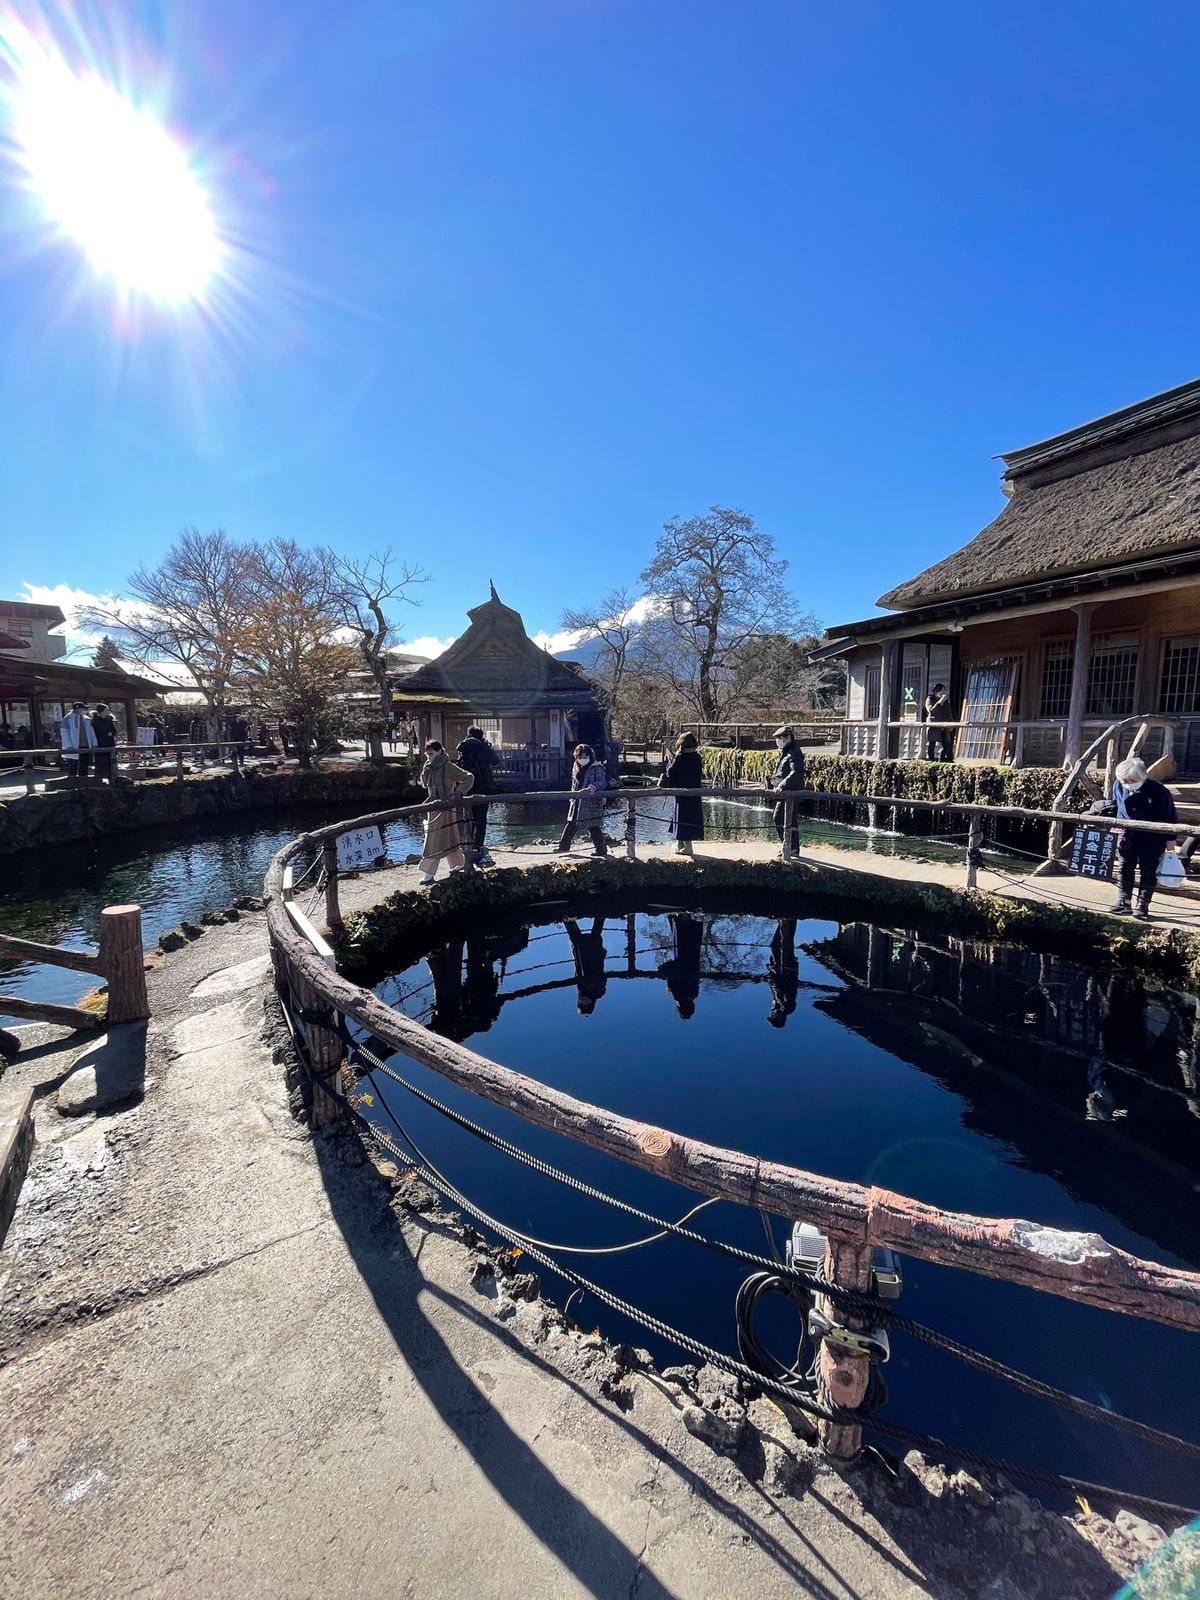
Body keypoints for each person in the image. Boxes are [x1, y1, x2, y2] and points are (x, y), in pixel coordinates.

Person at [1110, 757, 1177, 921]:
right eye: (1124, 780)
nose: (1128, 783)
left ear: (1142, 777)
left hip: (1152, 837)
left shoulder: (1158, 791)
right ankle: (1124, 900)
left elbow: (1169, 816)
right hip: (1126, 834)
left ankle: (1143, 903)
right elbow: (1115, 804)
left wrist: (1170, 841)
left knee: (1149, 871)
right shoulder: (1118, 785)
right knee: (1125, 868)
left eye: (1132, 780)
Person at [418, 739, 474, 885]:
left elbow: (469, 777)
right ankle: (458, 863)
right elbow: (425, 785)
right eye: (427, 754)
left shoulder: (448, 767)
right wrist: (425, 772)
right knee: (450, 838)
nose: (429, 757)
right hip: (434, 806)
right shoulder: (429, 766)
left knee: (433, 840)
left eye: (432, 754)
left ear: (439, 752)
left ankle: (429, 874)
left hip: (446, 806)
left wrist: (458, 794)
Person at [455, 725, 501, 866]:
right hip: (481, 788)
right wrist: (488, 746)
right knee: (480, 820)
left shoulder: (462, 747)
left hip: (465, 789)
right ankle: (478, 847)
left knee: (466, 819)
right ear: (480, 735)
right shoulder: (482, 746)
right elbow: (496, 761)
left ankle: (466, 849)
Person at [555, 743, 609, 856]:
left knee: (593, 826)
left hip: (591, 802)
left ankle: (601, 850)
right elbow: (574, 784)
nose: (582, 759)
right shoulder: (576, 767)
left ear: (590, 756)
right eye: (580, 757)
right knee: (571, 824)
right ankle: (563, 847)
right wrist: (571, 797)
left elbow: (602, 782)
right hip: (576, 801)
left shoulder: (597, 767)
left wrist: (592, 788)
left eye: (585, 756)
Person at [661, 731, 704, 857]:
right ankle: (680, 844)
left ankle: (687, 847)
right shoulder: (697, 757)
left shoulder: (680, 758)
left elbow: (671, 771)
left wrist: (672, 759)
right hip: (694, 792)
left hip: (682, 792)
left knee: (682, 817)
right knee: (685, 817)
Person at [769, 724, 805, 858]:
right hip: (785, 790)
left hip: (790, 791)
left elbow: (796, 772)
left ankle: (791, 847)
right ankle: (789, 846)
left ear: (787, 737)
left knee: (782, 818)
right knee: (784, 818)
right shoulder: (787, 751)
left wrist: (782, 785)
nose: (778, 740)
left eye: (780, 738)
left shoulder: (793, 751)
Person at [658, 911, 703, 1019]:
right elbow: (672, 981)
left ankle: (684, 919)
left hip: (690, 962)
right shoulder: (680, 995)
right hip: (684, 964)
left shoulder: (693, 994)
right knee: (681, 942)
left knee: (685, 942)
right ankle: (681, 919)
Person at [565, 917, 608, 1014]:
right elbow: (601, 978)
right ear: (591, 1003)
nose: (583, 1001)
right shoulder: (598, 992)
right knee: (594, 937)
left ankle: (568, 918)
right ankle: (601, 913)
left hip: (582, 959)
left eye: (581, 1003)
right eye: (585, 1004)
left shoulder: (581, 990)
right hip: (593, 960)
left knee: (577, 940)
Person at [767, 918, 800, 1028]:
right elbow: (783, 986)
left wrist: (771, 972)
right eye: (774, 1017)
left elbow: (774, 985)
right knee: (786, 945)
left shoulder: (777, 1004)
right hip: (786, 969)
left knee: (775, 945)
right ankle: (788, 919)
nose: (772, 1014)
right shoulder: (787, 1007)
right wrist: (774, 972)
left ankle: (785, 920)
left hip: (779, 969)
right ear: (780, 1018)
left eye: (772, 1016)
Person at [59, 701, 96, 780]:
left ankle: (83, 781)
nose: (83, 710)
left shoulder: (86, 718)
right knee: (73, 766)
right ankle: (73, 783)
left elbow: (91, 732)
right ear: (77, 708)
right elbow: (64, 733)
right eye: (82, 708)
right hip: (74, 746)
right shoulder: (68, 718)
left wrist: (93, 743)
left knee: (84, 765)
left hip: (86, 745)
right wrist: (68, 746)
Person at [924, 683, 955, 762]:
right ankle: (931, 759)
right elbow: (931, 710)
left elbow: (949, 712)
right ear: (938, 690)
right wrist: (940, 701)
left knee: (947, 744)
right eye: (943, 690)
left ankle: (942, 758)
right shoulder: (930, 698)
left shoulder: (946, 701)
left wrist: (951, 723)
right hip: (934, 724)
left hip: (944, 724)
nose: (944, 692)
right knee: (932, 743)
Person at [91, 703, 118, 782]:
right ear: (102, 711)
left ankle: (112, 779)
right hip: (100, 744)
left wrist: (112, 733)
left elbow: (114, 731)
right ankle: (99, 780)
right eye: (106, 710)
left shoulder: (109, 720)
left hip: (110, 743)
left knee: (111, 762)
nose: (108, 711)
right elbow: (97, 732)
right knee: (101, 763)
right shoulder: (95, 721)